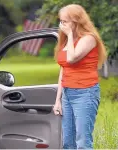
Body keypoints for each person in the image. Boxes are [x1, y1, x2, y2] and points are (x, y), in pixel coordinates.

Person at [52, 4, 107, 149]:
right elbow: (64, 69)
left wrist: (70, 35)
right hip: (67, 93)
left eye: (65, 22)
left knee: (83, 142)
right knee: (67, 142)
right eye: (61, 21)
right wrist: (58, 100)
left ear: (76, 22)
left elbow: (71, 58)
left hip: (85, 93)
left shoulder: (89, 39)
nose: (61, 25)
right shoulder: (66, 41)